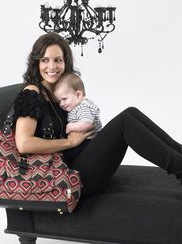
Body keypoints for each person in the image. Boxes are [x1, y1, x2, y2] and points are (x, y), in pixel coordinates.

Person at [13, 32, 182, 196]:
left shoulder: (60, 91)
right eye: (45, 60)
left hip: (84, 159)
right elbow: (24, 144)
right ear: (36, 63)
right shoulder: (32, 92)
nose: (52, 67)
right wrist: (69, 142)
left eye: (58, 60)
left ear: (66, 63)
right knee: (124, 123)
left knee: (131, 113)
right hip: (68, 177)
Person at [53, 72, 102, 138]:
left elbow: (86, 124)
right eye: (59, 101)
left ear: (78, 95)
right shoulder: (77, 107)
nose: (61, 104)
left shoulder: (83, 107)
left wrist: (70, 127)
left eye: (64, 99)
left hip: (91, 140)